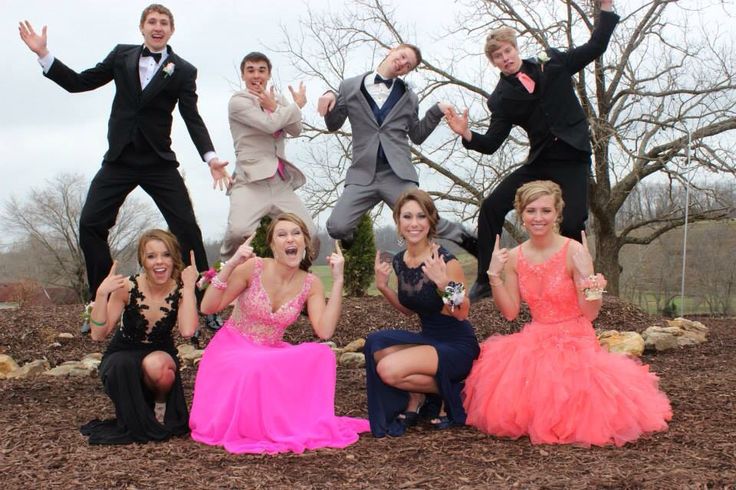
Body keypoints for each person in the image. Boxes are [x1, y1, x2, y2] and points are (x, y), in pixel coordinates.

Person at [18, 4, 228, 332]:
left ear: (171, 30)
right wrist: (44, 55)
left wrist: (211, 157)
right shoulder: (121, 56)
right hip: (119, 159)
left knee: (187, 227)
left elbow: (192, 118)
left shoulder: (183, 71)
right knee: (90, 223)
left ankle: (204, 301)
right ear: (142, 27)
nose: (157, 27)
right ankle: (102, 300)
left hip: (158, 161)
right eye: (152, 22)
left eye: (164, 23)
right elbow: (79, 82)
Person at [462, 181, 672, 446]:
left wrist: (587, 277)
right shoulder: (514, 257)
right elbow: (511, 313)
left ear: (557, 214)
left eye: (546, 210)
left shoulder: (574, 251)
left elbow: (590, 312)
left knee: (579, 401)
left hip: (576, 339)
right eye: (531, 210)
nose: (538, 218)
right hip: (536, 338)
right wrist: (493, 275)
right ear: (521, 214)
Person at [444, 0, 620, 302]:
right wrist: (467, 134)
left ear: (515, 49)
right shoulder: (501, 98)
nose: (505, 58)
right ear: (494, 62)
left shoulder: (551, 63)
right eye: (498, 56)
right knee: (491, 206)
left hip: (573, 156)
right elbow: (491, 144)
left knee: (574, 221)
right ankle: (488, 279)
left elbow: (596, 45)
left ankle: (578, 282)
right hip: (541, 162)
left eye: (507, 51)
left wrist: (605, 8)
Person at [189, 213, 370, 454]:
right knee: (255, 365)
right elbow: (208, 307)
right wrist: (231, 264)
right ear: (273, 244)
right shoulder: (254, 268)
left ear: (304, 242)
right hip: (232, 347)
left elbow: (324, 331)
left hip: (269, 350)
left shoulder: (311, 283)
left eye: (296, 233)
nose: (290, 239)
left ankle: (291, 420)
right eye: (282, 235)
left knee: (322, 355)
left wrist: (338, 281)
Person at [317, 44, 477, 256]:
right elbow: (333, 124)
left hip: (397, 175)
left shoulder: (409, 97)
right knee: (336, 227)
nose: (402, 64)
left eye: (408, 65)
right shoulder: (349, 87)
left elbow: (417, 135)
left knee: (427, 219)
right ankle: (348, 233)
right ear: (391, 50)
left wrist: (437, 110)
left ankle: (470, 242)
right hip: (363, 174)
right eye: (402, 56)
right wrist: (330, 98)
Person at [364, 189, 480, 437]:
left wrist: (444, 285)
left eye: (421, 216)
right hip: (429, 338)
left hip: (456, 344)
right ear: (398, 222)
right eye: (407, 217)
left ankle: (453, 390)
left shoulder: (446, 261)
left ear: (430, 221)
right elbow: (409, 310)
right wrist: (383, 287)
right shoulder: (399, 260)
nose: (414, 223)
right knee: (375, 344)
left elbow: (461, 313)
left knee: (388, 370)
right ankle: (425, 393)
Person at [81, 229, 199, 444]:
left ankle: (159, 405)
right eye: (151, 256)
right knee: (122, 364)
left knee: (158, 366)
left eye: (166, 254)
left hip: (159, 351)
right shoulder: (127, 287)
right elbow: (98, 334)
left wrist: (190, 288)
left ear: (174, 258)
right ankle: (133, 417)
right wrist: (101, 293)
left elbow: (188, 331)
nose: (159, 262)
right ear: (142, 260)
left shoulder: (181, 290)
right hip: (123, 350)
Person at [220, 51, 318, 261]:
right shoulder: (238, 102)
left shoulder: (280, 100)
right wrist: (295, 106)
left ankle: (296, 277)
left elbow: (296, 129)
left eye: (262, 70)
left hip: (280, 182)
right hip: (250, 182)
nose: (256, 75)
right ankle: (222, 273)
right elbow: (269, 124)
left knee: (309, 231)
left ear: (269, 74)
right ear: (243, 75)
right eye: (251, 70)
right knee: (238, 231)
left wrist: (277, 106)